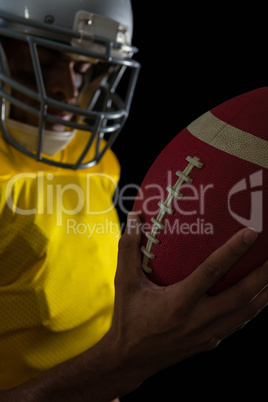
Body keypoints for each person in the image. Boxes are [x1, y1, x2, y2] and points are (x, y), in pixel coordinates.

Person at [0, 1, 267, 401]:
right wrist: (126, 360)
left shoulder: (87, 159)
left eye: (84, 67)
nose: (67, 90)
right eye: (43, 57)